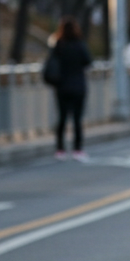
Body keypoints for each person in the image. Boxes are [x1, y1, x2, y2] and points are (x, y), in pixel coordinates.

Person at [48, 16, 93, 160]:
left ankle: (60, 149)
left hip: (62, 87)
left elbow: (51, 62)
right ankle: (77, 149)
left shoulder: (59, 45)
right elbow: (88, 61)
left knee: (62, 118)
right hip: (78, 86)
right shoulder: (80, 45)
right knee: (77, 119)